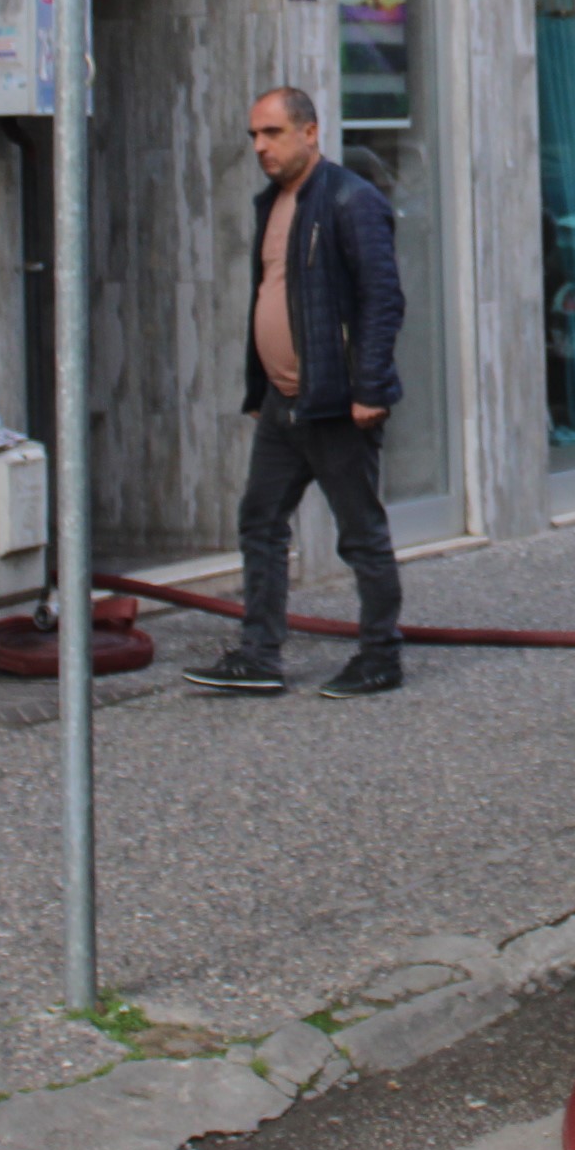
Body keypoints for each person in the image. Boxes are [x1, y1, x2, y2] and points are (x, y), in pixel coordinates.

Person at [186, 85, 409, 699]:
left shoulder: (350, 199)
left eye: (273, 133)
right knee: (259, 520)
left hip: (337, 402)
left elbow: (382, 299)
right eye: (254, 135)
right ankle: (259, 656)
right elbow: (273, 297)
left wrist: (368, 387)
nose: (260, 146)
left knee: (359, 532)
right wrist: (260, 388)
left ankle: (381, 654)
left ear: (310, 132)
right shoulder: (273, 202)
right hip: (284, 404)